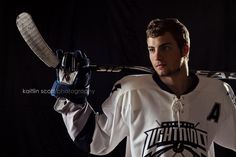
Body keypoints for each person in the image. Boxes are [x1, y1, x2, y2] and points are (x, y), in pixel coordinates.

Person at [51, 18, 236, 157]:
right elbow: (95, 140)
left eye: (165, 48)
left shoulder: (217, 93)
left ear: (185, 50)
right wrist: (72, 95)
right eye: (151, 49)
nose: (157, 57)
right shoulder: (130, 91)